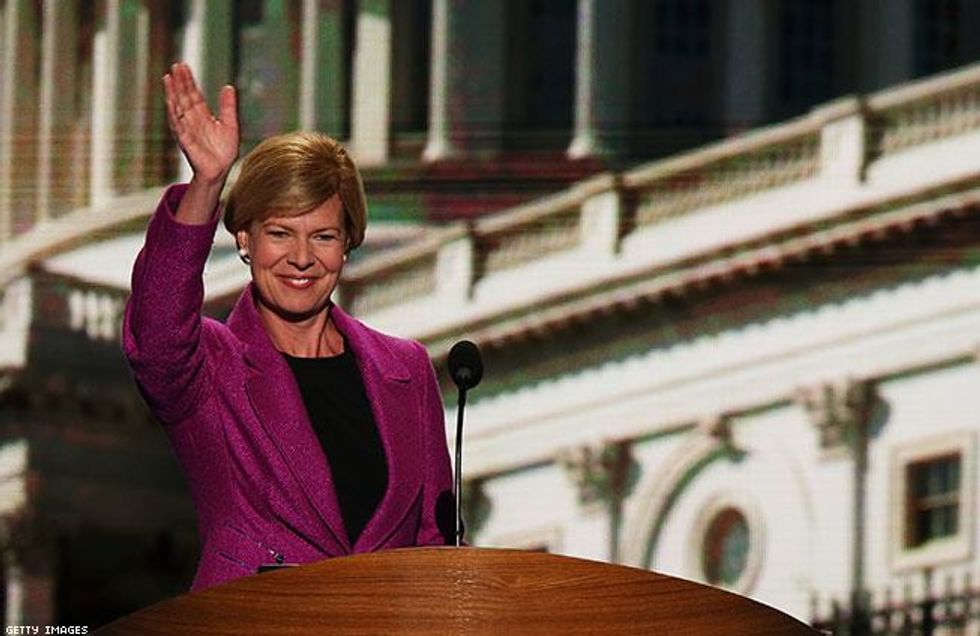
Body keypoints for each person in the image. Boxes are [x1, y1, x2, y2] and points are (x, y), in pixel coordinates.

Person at [122, 63, 454, 592]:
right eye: (280, 233)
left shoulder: (406, 370)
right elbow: (156, 332)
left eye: (323, 236)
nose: (301, 258)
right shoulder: (212, 366)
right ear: (245, 239)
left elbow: (435, 542)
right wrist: (207, 183)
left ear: (347, 244)